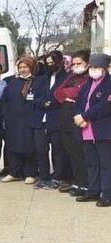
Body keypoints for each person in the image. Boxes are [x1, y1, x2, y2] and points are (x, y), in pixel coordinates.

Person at [72, 53, 111, 207]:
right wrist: (77, 115)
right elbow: (79, 102)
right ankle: (93, 191)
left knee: (106, 163)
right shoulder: (88, 83)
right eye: (92, 67)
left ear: (105, 68)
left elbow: (105, 106)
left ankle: (107, 194)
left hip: (102, 129)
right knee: (92, 162)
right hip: (86, 129)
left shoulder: (109, 83)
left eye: (97, 67)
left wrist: (85, 116)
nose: (93, 70)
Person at [53, 50, 90, 196]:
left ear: (87, 63)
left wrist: (68, 94)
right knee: (70, 152)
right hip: (65, 120)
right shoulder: (71, 76)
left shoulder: (88, 78)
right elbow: (57, 92)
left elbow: (78, 94)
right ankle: (75, 181)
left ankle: (84, 184)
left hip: (79, 121)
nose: (75, 66)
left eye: (79, 63)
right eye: (73, 64)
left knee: (80, 153)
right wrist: (66, 95)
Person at [31, 50, 70, 190]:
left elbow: (65, 95)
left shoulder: (66, 77)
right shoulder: (42, 78)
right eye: (47, 63)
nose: (50, 65)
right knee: (40, 149)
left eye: (52, 62)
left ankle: (58, 177)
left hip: (57, 118)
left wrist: (52, 102)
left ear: (59, 61)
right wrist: (43, 103)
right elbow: (35, 97)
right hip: (40, 118)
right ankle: (44, 177)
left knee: (58, 150)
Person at [0, 56, 38, 185]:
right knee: (12, 147)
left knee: (29, 147)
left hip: (30, 121)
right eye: (20, 67)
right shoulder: (12, 83)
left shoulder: (37, 82)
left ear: (31, 67)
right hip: (13, 121)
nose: (23, 70)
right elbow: (4, 101)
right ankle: (14, 172)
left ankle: (30, 173)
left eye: (25, 67)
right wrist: (6, 117)